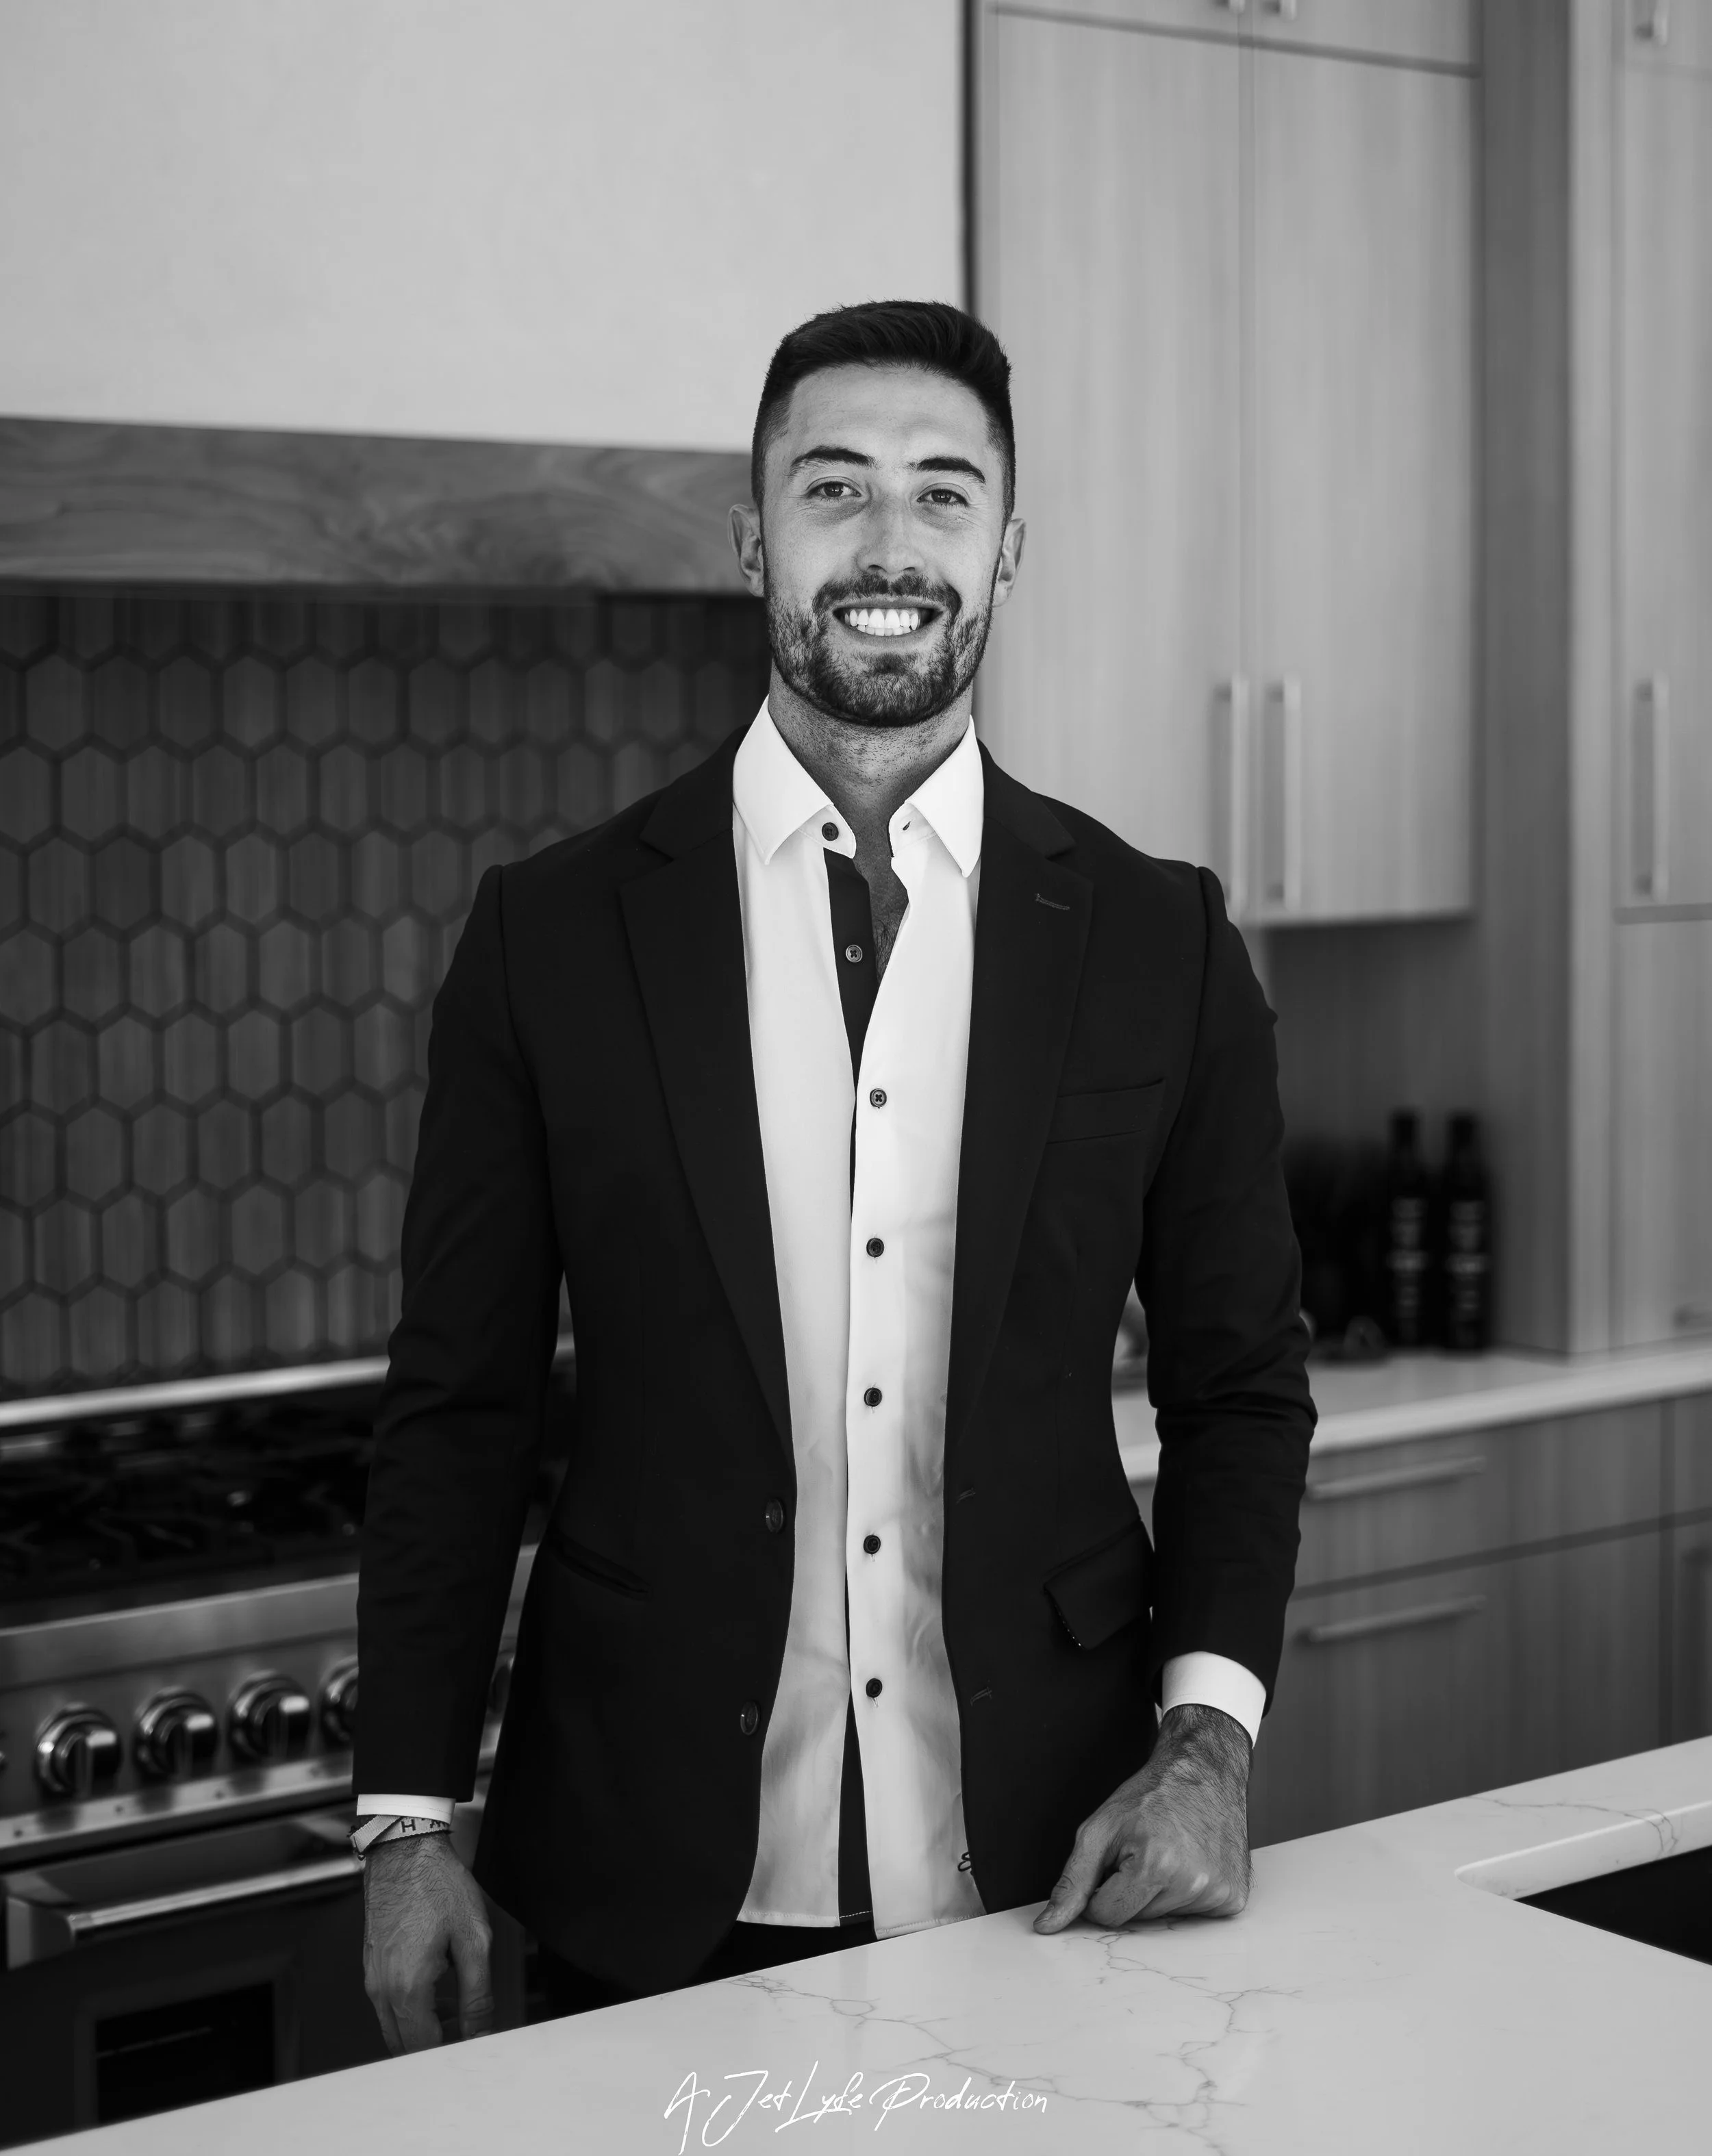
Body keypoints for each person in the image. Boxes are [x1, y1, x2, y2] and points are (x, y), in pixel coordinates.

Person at [354, 300, 1314, 2053]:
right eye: (835, 487)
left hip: (1053, 1859)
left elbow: (1240, 1390)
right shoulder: (550, 937)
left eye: (944, 495)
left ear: (1007, 547)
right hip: (646, 1880)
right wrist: (407, 1821)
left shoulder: (1153, 941)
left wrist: (1208, 1741)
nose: (890, 545)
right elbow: (457, 1409)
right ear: (752, 538)